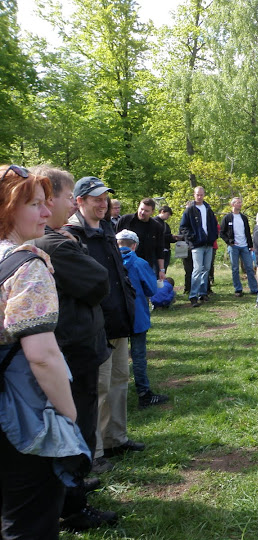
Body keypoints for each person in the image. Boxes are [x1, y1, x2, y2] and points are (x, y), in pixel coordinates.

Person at [30, 165, 117, 531]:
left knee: (80, 422)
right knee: (73, 425)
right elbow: (98, 280)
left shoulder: (58, 239)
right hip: (72, 347)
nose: (68, 205)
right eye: (68, 197)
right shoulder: (54, 243)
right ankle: (73, 506)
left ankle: (73, 487)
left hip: (79, 344)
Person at [0, 165, 81, 539]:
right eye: (35, 204)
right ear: (7, 208)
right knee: (29, 520)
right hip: (21, 415)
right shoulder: (27, 267)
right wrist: (68, 414)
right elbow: (42, 355)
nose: (47, 212)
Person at [65, 177, 144, 474]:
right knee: (97, 388)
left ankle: (115, 439)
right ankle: (94, 451)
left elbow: (118, 272)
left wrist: (129, 300)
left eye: (105, 199)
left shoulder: (107, 227)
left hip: (119, 318)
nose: (103, 204)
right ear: (80, 201)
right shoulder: (71, 234)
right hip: (96, 325)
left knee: (120, 380)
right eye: (96, 199)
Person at [116, 229, 169, 409]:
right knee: (138, 356)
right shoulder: (139, 263)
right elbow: (152, 290)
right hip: (137, 315)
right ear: (134, 246)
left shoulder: (109, 262)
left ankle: (117, 398)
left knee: (115, 358)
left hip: (115, 317)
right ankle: (143, 393)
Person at [179, 186, 218, 307]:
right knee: (197, 269)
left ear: (204, 195)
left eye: (201, 194)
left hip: (208, 244)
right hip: (197, 244)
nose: (199, 197)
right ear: (194, 195)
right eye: (197, 194)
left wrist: (213, 237)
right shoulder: (189, 210)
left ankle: (203, 292)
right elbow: (183, 227)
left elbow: (214, 224)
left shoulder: (208, 209)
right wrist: (193, 237)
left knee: (206, 269)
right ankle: (193, 295)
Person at [219, 196, 258, 298]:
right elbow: (222, 232)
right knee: (235, 268)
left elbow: (247, 232)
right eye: (238, 202)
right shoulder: (227, 218)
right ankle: (238, 289)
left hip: (244, 246)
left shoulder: (243, 218)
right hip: (234, 247)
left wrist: (250, 245)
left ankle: (254, 288)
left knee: (249, 267)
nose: (240, 204)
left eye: (240, 202)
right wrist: (229, 242)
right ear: (232, 204)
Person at [116, 198, 166, 278]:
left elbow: (160, 250)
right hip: (123, 263)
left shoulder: (157, 227)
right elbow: (113, 240)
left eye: (146, 211)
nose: (142, 212)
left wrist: (161, 270)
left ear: (152, 212)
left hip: (146, 264)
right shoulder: (125, 220)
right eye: (141, 209)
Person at [153, 205, 177, 274]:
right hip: (156, 251)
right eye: (168, 214)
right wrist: (169, 236)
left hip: (166, 250)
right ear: (162, 212)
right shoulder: (153, 222)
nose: (168, 217)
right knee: (156, 271)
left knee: (163, 271)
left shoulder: (166, 225)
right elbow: (157, 236)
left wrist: (174, 238)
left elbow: (168, 237)